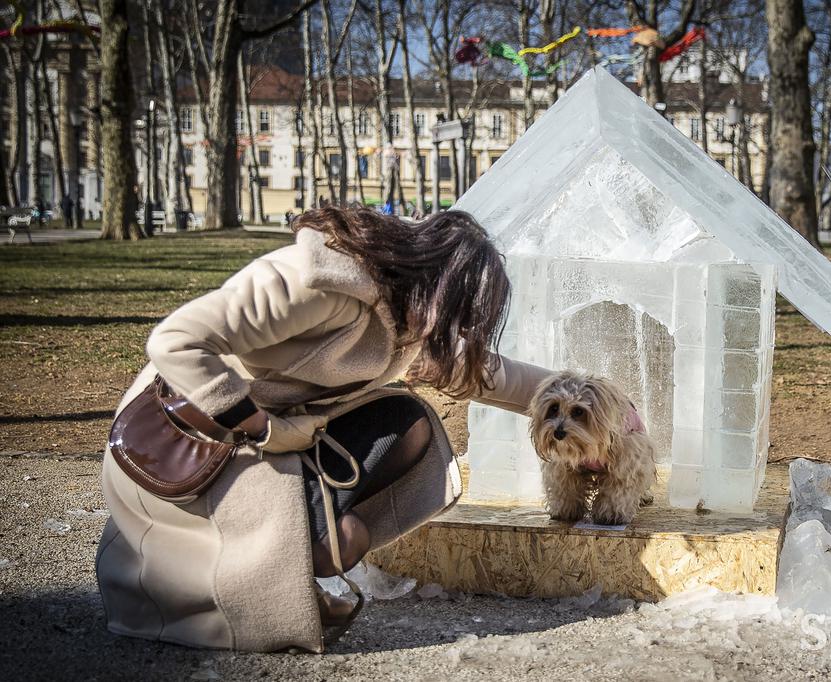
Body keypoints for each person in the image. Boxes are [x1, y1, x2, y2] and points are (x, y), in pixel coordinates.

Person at [96, 206, 555, 653]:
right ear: (436, 282)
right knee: (337, 541)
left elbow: (479, 371)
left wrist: (576, 393)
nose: (457, 329)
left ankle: (292, 559)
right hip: (182, 444)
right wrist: (262, 428)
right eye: (458, 311)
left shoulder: (409, 311)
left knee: (408, 423)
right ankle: (272, 569)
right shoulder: (313, 280)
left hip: (268, 442)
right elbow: (174, 341)